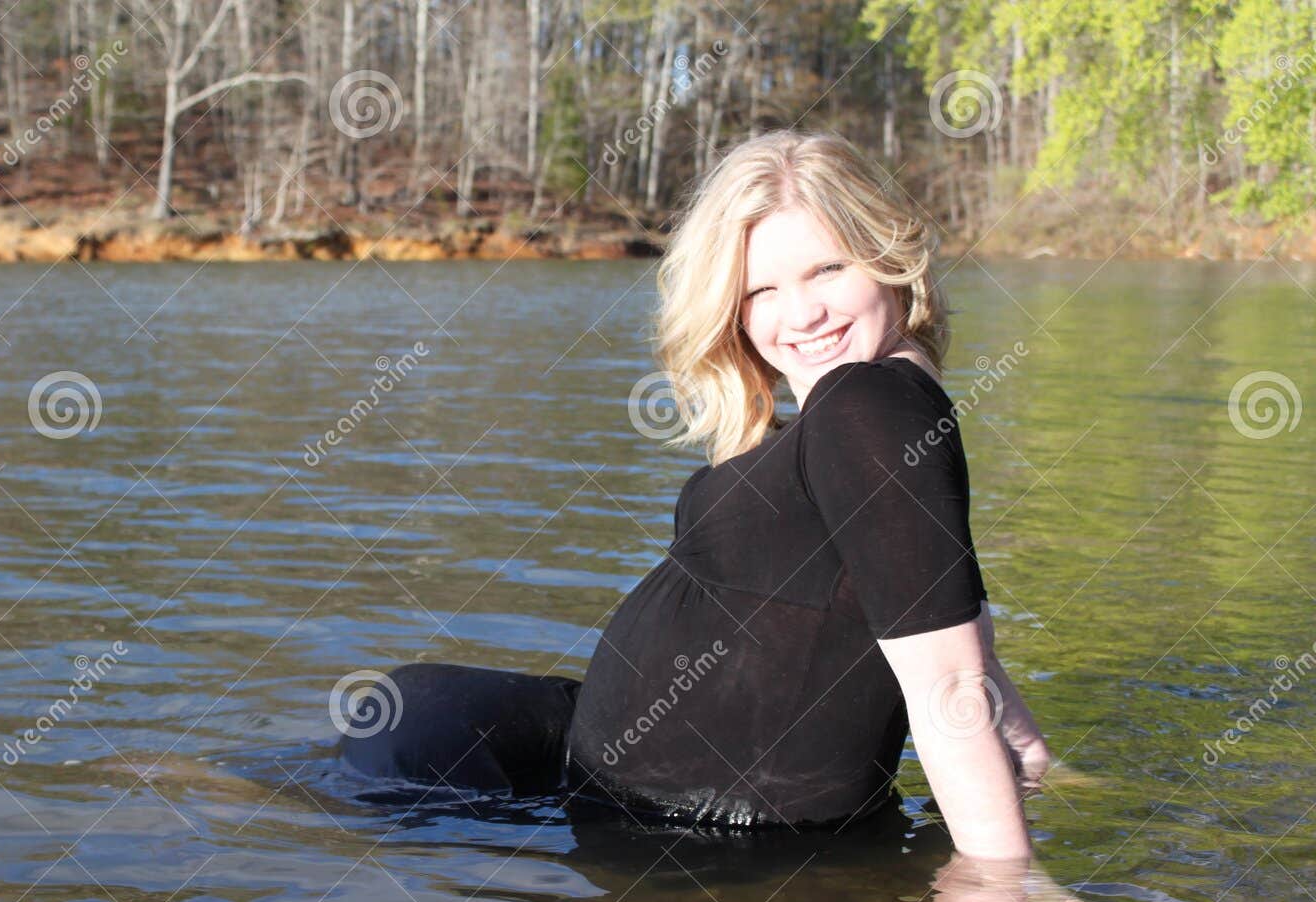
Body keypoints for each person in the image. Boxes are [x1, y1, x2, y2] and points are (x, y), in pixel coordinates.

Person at [338, 128, 1057, 863]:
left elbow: (948, 674)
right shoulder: (879, 404)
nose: (802, 313)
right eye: (761, 290)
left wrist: (1004, 889)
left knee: (321, 803)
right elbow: (942, 616)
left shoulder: (868, 403)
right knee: (335, 763)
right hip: (563, 763)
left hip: (651, 821)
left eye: (828, 269)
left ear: (889, 256)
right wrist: (1034, 757)